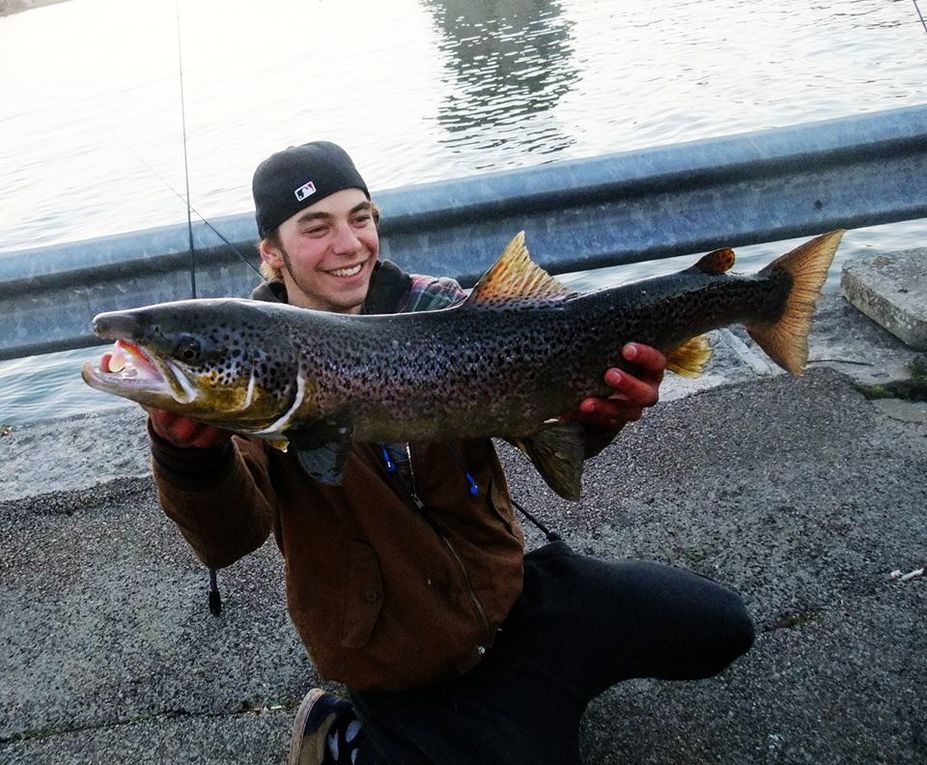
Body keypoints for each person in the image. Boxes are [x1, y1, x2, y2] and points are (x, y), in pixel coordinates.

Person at [145, 141, 754, 765]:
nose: (349, 244)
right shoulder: (253, 377)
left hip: (510, 601)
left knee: (722, 625)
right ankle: (343, 734)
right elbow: (227, 536)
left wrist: (602, 411)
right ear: (272, 254)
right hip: (402, 661)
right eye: (316, 228)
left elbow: (547, 421)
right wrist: (188, 458)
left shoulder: (441, 307)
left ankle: (524, 705)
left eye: (361, 218)